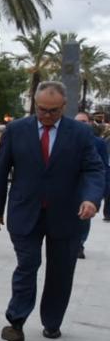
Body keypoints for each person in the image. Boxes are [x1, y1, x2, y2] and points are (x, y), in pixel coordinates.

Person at [0, 82, 104, 341]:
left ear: (64, 107)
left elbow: (93, 170)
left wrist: (91, 198)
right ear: (35, 104)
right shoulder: (17, 130)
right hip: (25, 211)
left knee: (60, 271)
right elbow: (2, 169)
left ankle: (52, 321)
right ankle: (16, 322)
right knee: (27, 265)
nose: (47, 115)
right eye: (42, 109)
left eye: (53, 111)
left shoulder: (81, 134)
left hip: (67, 213)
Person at [72, 111, 107, 258]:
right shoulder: (67, 140)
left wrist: (102, 189)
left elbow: (103, 166)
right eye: (78, 121)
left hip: (87, 186)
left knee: (84, 216)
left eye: (84, 121)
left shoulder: (98, 143)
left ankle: (80, 243)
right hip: (68, 186)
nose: (81, 124)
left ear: (90, 123)